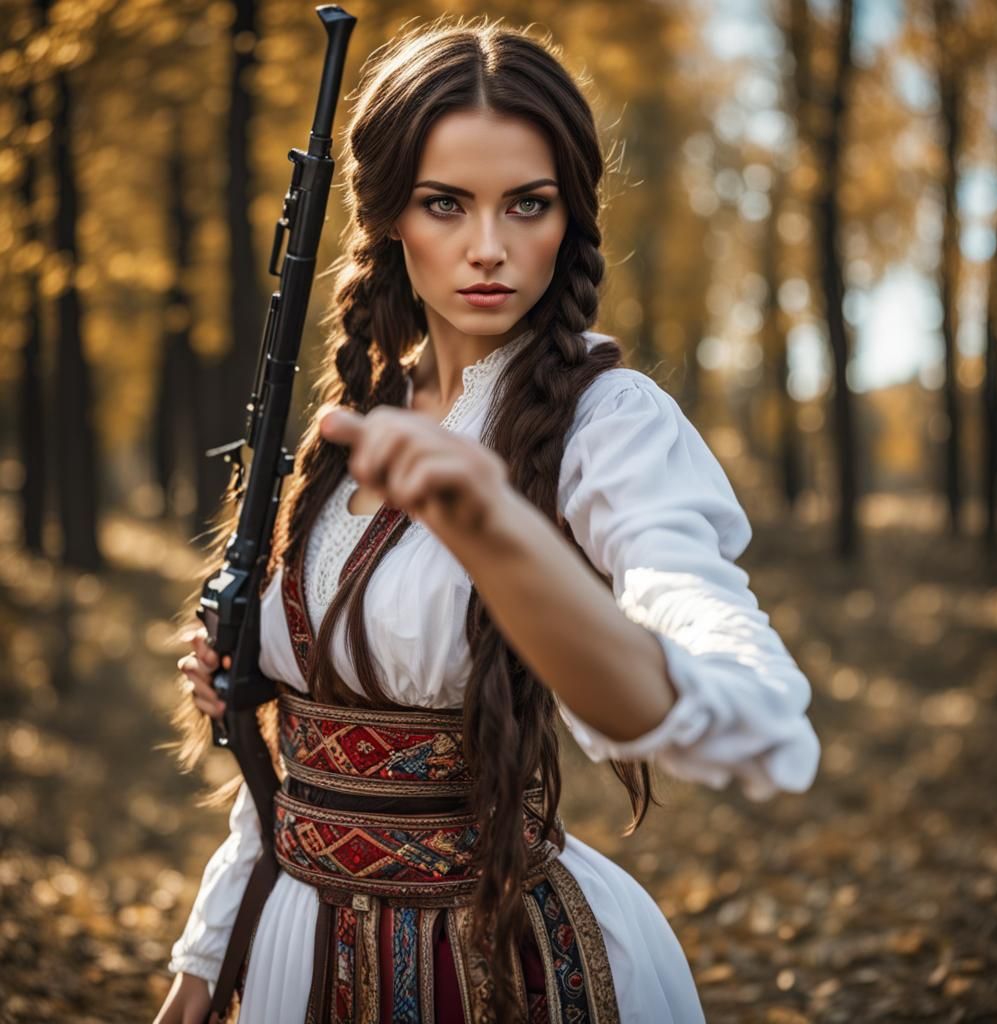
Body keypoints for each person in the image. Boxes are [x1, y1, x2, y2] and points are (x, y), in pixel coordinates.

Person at [154, 16, 820, 1024]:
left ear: (571, 217)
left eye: (528, 205)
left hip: (503, 968)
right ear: (386, 218)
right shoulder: (350, 425)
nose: (488, 249)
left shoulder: (609, 422)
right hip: (289, 946)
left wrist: (495, 529)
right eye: (444, 204)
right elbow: (289, 777)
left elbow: (731, 672)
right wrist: (202, 968)